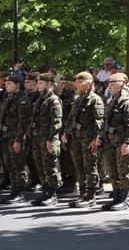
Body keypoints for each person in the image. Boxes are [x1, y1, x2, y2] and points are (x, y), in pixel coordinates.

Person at [62, 73, 104, 208]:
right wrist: (66, 133)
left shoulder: (95, 100)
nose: (77, 83)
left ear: (89, 82)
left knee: (90, 166)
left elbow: (99, 122)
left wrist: (96, 138)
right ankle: (82, 193)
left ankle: (91, 195)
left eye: (81, 80)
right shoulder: (78, 99)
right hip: (76, 137)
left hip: (88, 138)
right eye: (76, 81)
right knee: (78, 167)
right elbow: (71, 118)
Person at [99, 73, 129, 211]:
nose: (110, 84)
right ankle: (116, 197)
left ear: (122, 83)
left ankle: (124, 199)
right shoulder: (111, 101)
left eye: (114, 81)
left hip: (122, 141)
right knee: (113, 171)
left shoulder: (126, 102)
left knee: (124, 171)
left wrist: (127, 142)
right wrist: (101, 137)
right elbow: (105, 122)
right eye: (109, 81)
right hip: (111, 141)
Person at [28, 73, 63, 207]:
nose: (38, 85)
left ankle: (52, 194)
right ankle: (45, 191)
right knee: (40, 166)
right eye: (38, 83)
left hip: (48, 139)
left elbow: (56, 122)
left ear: (49, 84)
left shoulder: (53, 100)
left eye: (41, 83)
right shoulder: (40, 99)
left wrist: (51, 139)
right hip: (38, 138)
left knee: (50, 166)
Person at [0, 74, 33, 204]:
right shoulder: (8, 98)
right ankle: (14, 191)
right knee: (10, 165)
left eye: (10, 84)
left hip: (15, 137)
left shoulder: (22, 100)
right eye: (6, 84)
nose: (7, 86)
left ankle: (19, 192)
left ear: (17, 85)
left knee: (18, 165)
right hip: (6, 136)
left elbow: (23, 122)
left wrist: (18, 140)